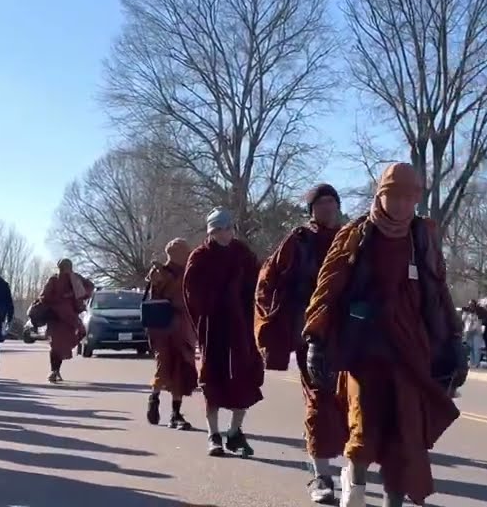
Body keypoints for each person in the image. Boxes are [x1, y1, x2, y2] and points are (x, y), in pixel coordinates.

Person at [302, 163, 463, 507]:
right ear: (381, 196)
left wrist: (453, 340)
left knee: (403, 434)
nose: (403, 205)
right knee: (363, 428)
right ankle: (355, 495)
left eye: (410, 197)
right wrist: (316, 339)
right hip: (364, 350)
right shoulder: (356, 235)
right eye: (395, 196)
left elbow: (438, 290)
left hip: (410, 352)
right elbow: (327, 288)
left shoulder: (423, 237)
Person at [255, 184, 347, 503]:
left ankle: (351, 468)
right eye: (320, 203)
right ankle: (322, 476)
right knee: (320, 401)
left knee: (353, 404)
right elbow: (268, 280)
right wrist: (274, 319)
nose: (327, 208)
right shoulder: (299, 240)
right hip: (312, 335)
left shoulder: (352, 238)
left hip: (352, 334)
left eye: (332, 202)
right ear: (311, 210)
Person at [183, 208, 264, 458]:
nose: (224, 233)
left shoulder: (242, 253)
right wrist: (215, 302)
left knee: (245, 378)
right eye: (218, 229)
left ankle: (234, 432)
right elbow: (191, 293)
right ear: (211, 231)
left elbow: (259, 283)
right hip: (213, 327)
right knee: (213, 380)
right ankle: (213, 434)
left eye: (227, 228)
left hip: (241, 327)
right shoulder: (200, 257)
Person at [144, 240, 199, 430]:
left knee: (181, 369)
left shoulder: (190, 272)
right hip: (164, 328)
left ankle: (175, 414)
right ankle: (154, 398)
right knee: (164, 365)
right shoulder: (160, 273)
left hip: (184, 328)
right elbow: (154, 299)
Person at [38, 259, 95, 384]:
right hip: (58, 317)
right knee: (57, 345)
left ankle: (55, 370)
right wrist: (64, 297)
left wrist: (74, 295)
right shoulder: (55, 279)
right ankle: (55, 370)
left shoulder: (74, 279)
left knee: (59, 344)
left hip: (67, 318)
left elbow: (89, 287)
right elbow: (44, 297)